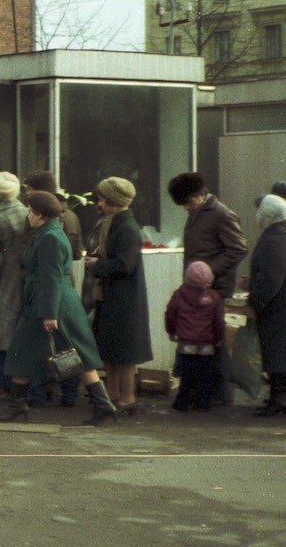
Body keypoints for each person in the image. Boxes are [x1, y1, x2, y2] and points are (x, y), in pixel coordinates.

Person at [0, 191, 118, 426]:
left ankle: (17, 406)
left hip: (49, 304)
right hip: (54, 302)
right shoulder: (50, 232)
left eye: (30, 211)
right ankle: (103, 406)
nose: (28, 215)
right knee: (76, 354)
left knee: (24, 350)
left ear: (39, 214)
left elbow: (50, 278)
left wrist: (49, 313)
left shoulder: (49, 237)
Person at [169, 171, 248, 406]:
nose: (186, 208)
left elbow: (239, 248)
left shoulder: (221, 214)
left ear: (201, 195)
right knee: (199, 336)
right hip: (198, 287)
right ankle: (202, 391)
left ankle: (220, 393)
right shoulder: (199, 211)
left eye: (188, 202)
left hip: (215, 288)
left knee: (215, 338)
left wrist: (209, 271)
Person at [85, 176, 152, 416]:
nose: (98, 203)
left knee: (123, 353)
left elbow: (125, 264)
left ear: (113, 200)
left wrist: (96, 265)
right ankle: (114, 395)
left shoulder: (125, 228)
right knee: (112, 350)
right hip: (115, 296)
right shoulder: (115, 222)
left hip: (123, 299)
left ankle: (127, 397)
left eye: (102, 199)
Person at [0, 172, 28, 401]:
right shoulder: (25, 212)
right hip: (24, 277)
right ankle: (18, 383)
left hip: (4, 280)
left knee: (3, 333)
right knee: (20, 332)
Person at [248, 193, 286, 417]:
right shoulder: (285, 237)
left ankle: (279, 401)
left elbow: (270, 278)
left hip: (276, 308)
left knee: (277, 353)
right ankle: (281, 398)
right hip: (285, 305)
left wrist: (255, 302)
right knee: (283, 352)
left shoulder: (274, 240)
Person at [165, 261, 225, 413]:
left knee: (186, 375)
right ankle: (202, 404)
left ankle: (182, 402)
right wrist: (219, 338)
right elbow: (218, 321)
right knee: (206, 376)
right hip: (207, 344)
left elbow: (170, 315)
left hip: (186, 343)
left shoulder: (179, 294)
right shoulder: (215, 297)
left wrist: (171, 332)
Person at [23, 170, 84, 288]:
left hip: (43, 284)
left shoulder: (38, 217)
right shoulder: (72, 216)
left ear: (37, 190)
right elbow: (77, 253)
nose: (27, 193)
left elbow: (27, 254)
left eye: (29, 188)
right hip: (66, 282)